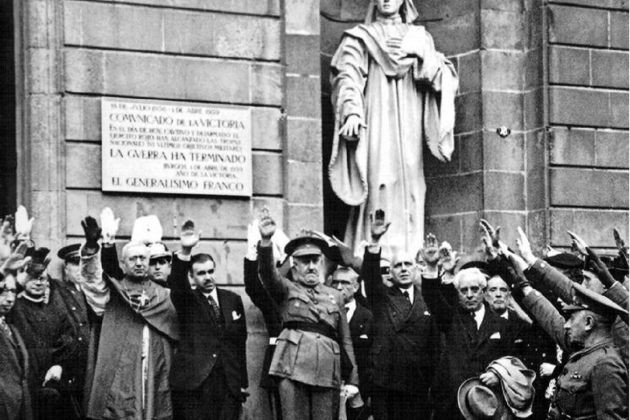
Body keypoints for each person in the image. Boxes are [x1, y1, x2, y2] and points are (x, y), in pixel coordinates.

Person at [328, 0, 458, 254]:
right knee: (379, 179)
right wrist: (352, 112)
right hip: (376, 121)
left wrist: (424, 57)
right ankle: (374, 255)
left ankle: (408, 257)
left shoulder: (419, 37)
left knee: (411, 184)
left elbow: (440, 77)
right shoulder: (360, 37)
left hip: (409, 122)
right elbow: (347, 77)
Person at [256, 211, 359, 420]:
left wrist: (353, 379)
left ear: (321, 263)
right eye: (305, 261)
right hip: (291, 367)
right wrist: (266, 242)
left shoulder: (335, 296)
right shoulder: (286, 289)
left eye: (315, 260)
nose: (311, 266)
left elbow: (345, 339)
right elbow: (267, 274)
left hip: (327, 368)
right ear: (295, 266)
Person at [507, 246, 629, 419]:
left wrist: (610, 282)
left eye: (571, 319)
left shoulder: (605, 363)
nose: (566, 325)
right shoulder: (584, 350)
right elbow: (553, 321)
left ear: (588, 323)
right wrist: (526, 288)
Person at [78, 216, 179, 420]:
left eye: (143, 258)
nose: (139, 263)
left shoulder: (164, 295)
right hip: (122, 370)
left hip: (154, 367)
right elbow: (91, 282)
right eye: (133, 259)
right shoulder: (113, 292)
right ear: (123, 264)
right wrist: (91, 248)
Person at [421, 235, 511, 420]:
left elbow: (512, 359)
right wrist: (431, 267)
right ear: (458, 293)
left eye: (474, 289)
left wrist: (499, 375)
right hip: (452, 406)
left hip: (487, 405)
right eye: (464, 290)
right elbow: (432, 298)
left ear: (484, 292)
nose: (469, 295)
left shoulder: (501, 324)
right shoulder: (451, 318)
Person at [361, 210, 439, 420]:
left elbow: (435, 346)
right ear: (391, 272)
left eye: (407, 265)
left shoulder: (427, 300)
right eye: (398, 265)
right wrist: (375, 241)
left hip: (417, 384)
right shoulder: (382, 297)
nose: (403, 269)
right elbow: (369, 276)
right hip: (385, 384)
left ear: (415, 269)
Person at [168, 223, 248, 420]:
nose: (208, 277)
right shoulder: (188, 299)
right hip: (196, 383)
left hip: (228, 381)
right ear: (192, 277)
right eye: (201, 274)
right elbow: (177, 284)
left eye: (210, 271)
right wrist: (186, 250)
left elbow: (240, 342)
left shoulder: (232, 300)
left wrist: (242, 382)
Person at [8, 247, 81, 420]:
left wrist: (59, 366)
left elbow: (68, 341)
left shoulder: (56, 310)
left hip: (52, 384)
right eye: (33, 278)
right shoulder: (14, 308)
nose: (39, 282)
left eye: (42, 279)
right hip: (23, 384)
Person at [330, 267, 373, 420]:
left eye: (345, 282)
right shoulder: (322, 314)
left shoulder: (368, 318)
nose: (339, 287)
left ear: (356, 287)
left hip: (358, 392)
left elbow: (372, 358)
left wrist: (362, 389)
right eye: (335, 282)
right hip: (328, 387)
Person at [0, 270, 33, 420]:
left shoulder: (11, 328)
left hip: (17, 408)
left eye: (13, 291)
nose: (9, 299)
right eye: (2, 291)